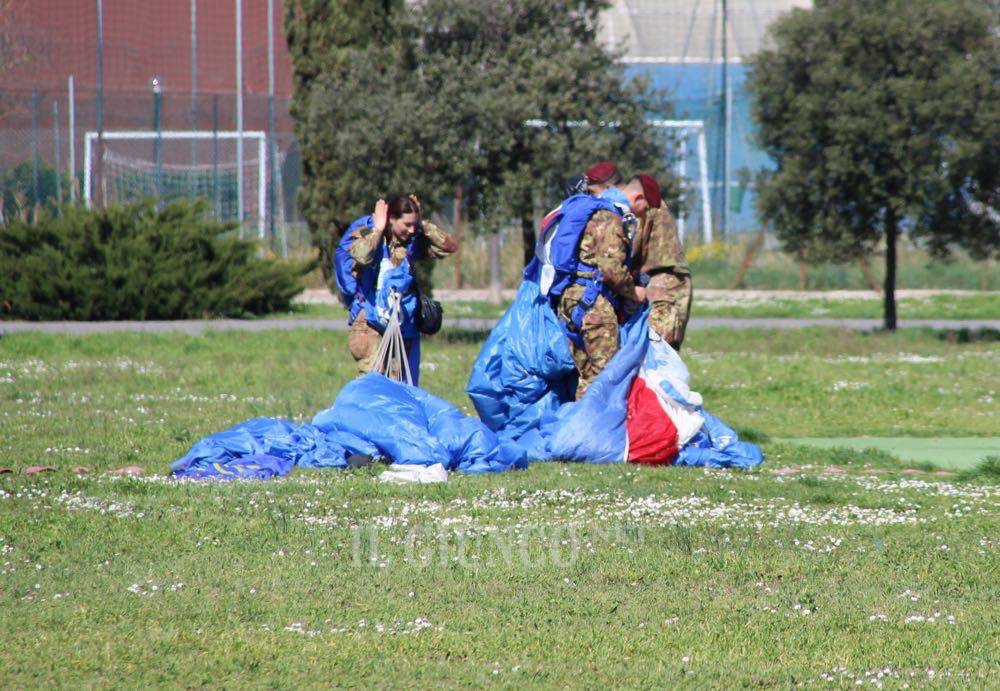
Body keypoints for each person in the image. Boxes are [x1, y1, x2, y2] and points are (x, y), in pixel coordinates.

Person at [542, 177, 648, 398]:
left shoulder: (589, 211)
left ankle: (576, 427)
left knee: (587, 377)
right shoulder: (609, 216)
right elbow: (610, 269)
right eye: (644, 208)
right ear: (638, 198)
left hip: (571, 299)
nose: (642, 215)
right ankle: (591, 430)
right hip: (594, 306)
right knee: (605, 381)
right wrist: (633, 291)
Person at [334, 195, 456, 385]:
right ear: (391, 218)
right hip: (368, 322)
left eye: (413, 224)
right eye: (406, 224)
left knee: (403, 387)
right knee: (375, 386)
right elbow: (362, 257)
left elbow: (448, 247)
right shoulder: (369, 229)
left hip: (402, 323)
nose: (411, 229)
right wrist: (378, 229)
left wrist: (421, 222)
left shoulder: (412, 237)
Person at [629, 174, 693, 350]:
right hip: (663, 280)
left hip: (664, 282)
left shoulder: (644, 205)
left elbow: (631, 247)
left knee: (657, 353)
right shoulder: (646, 201)